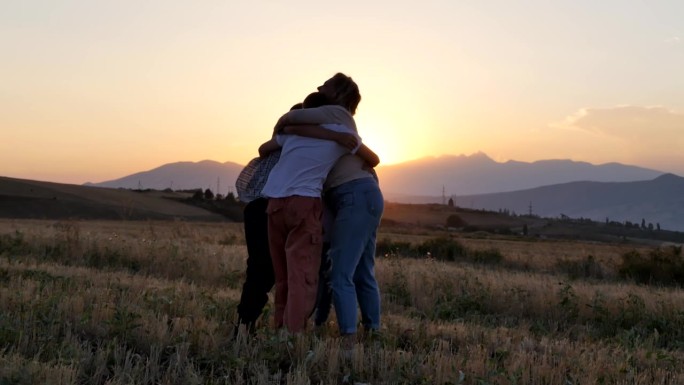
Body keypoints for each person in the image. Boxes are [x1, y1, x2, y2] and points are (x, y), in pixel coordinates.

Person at [276, 73, 384, 345]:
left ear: (338, 94)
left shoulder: (335, 113)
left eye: (326, 85)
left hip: (352, 195)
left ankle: (348, 341)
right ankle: (373, 331)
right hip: (365, 195)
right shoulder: (338, 122)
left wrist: (299, 129)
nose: (318, 87)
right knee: (361, 272)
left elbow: (287, 121)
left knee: (340, 273)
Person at [259, 91, 368, 334]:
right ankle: (293, 335)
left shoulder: (291, 134)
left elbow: (263, 148)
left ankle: (279, 328)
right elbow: (373, 158)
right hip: (304, 203)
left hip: (274, 203)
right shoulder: (341, 136)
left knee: (283, 274)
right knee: (303, 276)